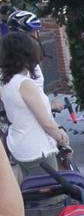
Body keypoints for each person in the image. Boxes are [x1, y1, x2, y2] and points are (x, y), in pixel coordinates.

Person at [0, 32, 66, 176]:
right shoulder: (25, 84)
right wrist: (62, 139)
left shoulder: (6, 82)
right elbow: (46, 123)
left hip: (19, 146)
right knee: (52, 197)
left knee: (32, 193)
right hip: (37, 149)